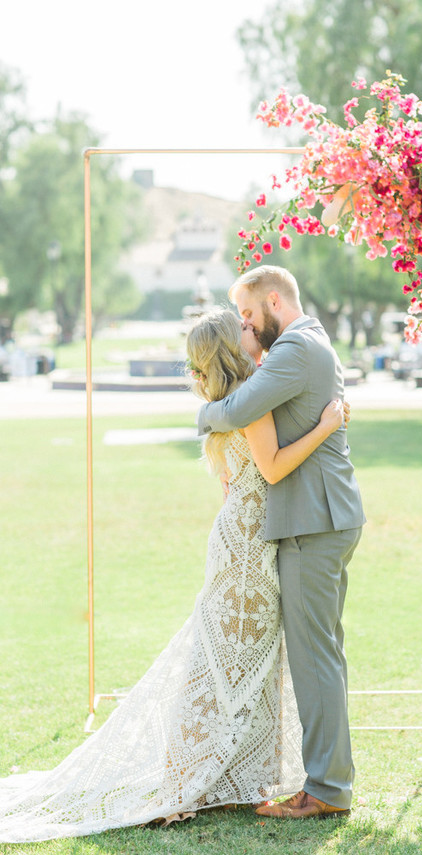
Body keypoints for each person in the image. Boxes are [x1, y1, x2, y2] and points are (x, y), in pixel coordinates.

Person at [0, 308, 344, 843]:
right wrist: (326, 427)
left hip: (240, 535)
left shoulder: (226, 403)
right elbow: (273, 468)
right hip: (248, 547)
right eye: (244, 328)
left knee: (234, 657)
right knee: (227, 659)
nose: (253, 329)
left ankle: (233, 775)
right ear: (232, 345)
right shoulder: (249, 402)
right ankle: (187, 779)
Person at [197, 265, 366, 820]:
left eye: (248, 313)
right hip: (321, 516)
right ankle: (329, 782)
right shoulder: (306, 344)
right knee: (322, 652)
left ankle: (327, 790)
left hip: (313, 521)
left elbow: (238, 409)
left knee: (315, 656)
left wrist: (203, 412)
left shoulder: (295, 347)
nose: (245, 325)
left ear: (274, 301)